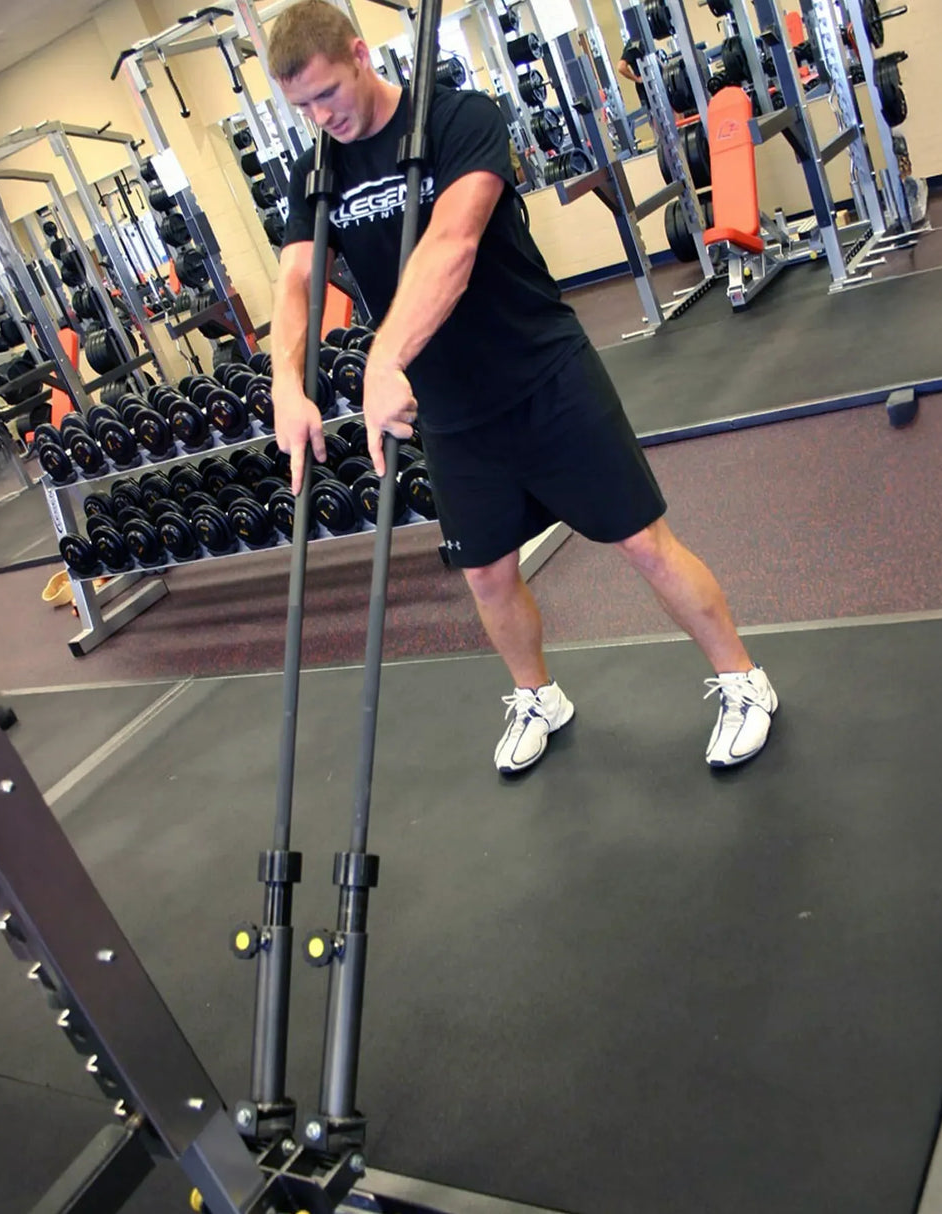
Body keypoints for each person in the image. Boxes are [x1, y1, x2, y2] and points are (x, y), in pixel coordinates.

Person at [266, 0, 777, 774]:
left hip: (542, 372)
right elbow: (298, 277)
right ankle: (540, 695)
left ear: (360, 55)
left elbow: (452, 244)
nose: (320, 116)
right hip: (449, 409)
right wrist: (284, 385)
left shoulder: (461, 120)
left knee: (642, 542)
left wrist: (381, 361)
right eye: (301, 107)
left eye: (326, 93)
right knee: (486, 572)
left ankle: (743, 680)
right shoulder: (318, 170)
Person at [616, 39, 649, 112]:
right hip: (646, 86)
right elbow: (621, 67)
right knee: (654, 114)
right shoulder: (633, 43)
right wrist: (637, 79)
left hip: (656, 79)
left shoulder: (647, 37)